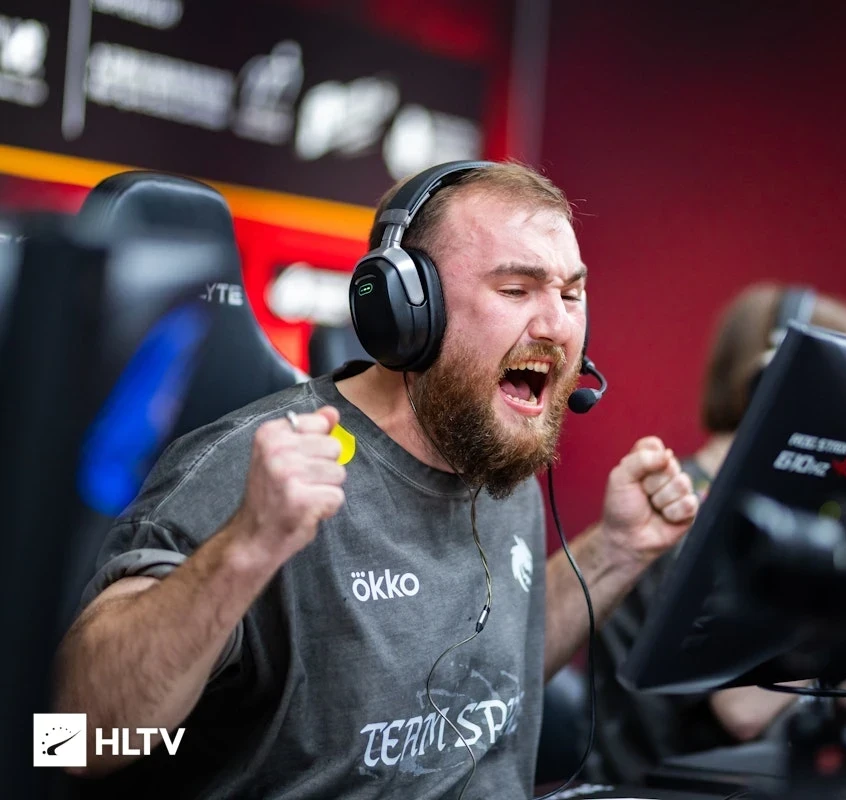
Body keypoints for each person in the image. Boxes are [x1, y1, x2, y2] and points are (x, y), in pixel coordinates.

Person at [52, 161, 699, 799]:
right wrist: (246, 548)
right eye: (516, 289)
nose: (557, 326)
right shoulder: (255, 471)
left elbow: (495, 680)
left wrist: (616, 550)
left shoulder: (499, 463)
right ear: (407, 308)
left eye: (570, 294)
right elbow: (65, 742)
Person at [591, 284, 846, 785]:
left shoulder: (762, 508)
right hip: (666, 789)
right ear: (773, 382)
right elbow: (742, 710)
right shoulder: (686, 512)